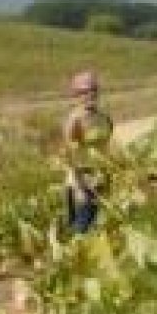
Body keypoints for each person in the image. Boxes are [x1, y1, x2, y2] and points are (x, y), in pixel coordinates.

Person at [62, 70, 113, 234]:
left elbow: (105, 149)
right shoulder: (74, 121)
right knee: (79, 231)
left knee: (94, 229)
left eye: (93, 90)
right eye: (84, 91)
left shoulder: (105, 119)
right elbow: (70, 156)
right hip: (81, 179)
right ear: (76, 95)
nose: (90, 94)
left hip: (99, 177)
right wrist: (78, 187)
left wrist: (107, 177)